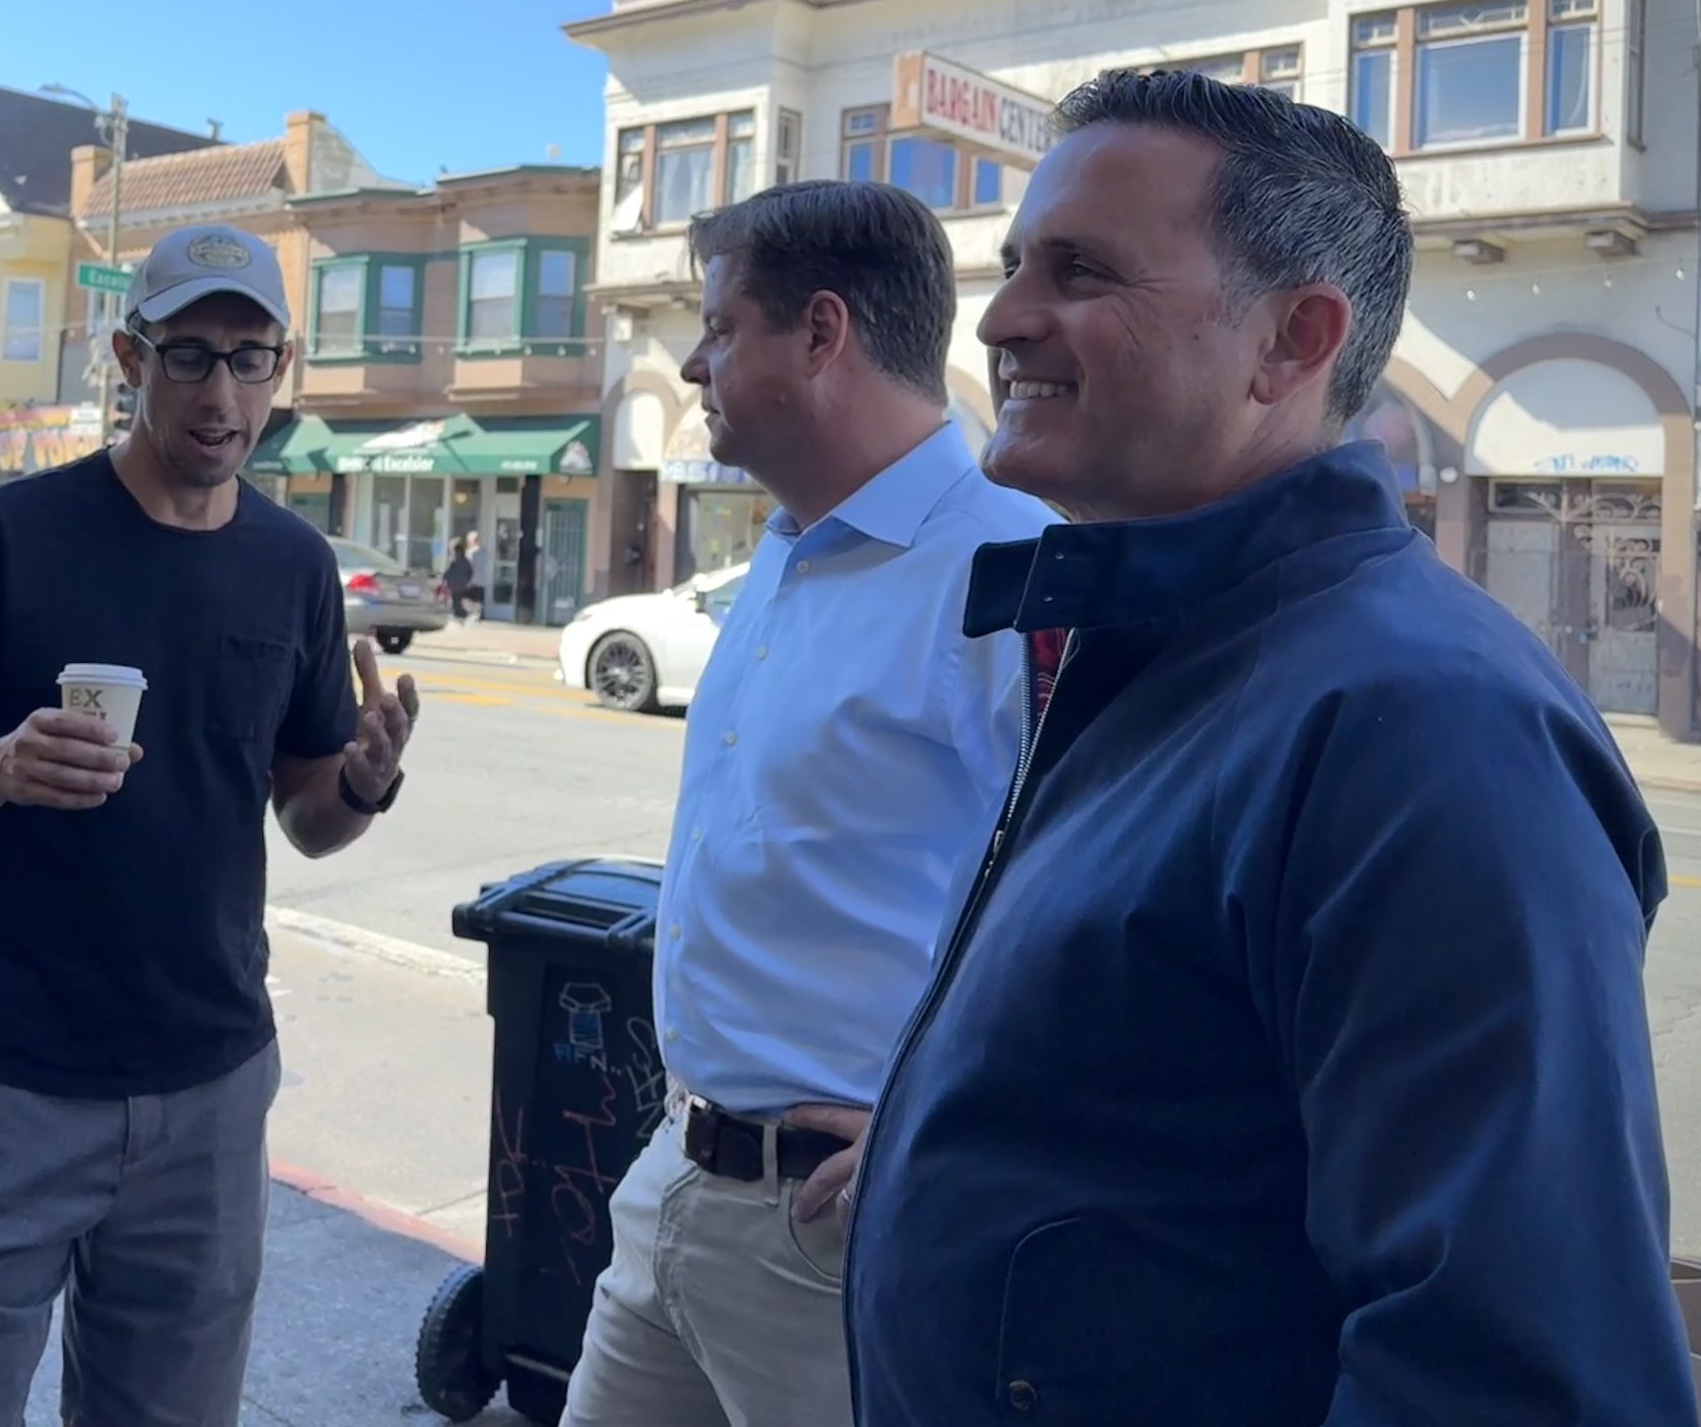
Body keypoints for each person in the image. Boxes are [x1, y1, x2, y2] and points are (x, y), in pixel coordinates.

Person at [844, 70, 1696, 1422]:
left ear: (1293, 343)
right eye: (1012, 267)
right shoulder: (1159, 652)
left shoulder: (1424, 728)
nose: (1002, 320)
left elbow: (1512, 1375)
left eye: (1079, 271)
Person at [0, 221, 422, 1427]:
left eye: (250, 358)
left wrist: (364, 784)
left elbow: (307, 818)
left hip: (207, 1098)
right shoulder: (4, 540)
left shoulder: (292, 567)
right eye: (189, 356)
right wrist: (1, 768)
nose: (222, 395)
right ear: (129, 357)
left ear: (284, 368)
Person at [559, 182, 1053, 1426]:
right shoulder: (785, 546)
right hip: (675, 1179)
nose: (690, 360)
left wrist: (954, 1142)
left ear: (821, 334)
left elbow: (1102, 922)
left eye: (721, 326)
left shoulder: (1019, 569)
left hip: (840, 1231)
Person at [446, 531, 477, 620]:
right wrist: (467, 581)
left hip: (455, 584)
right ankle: (460, 613)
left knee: (456, 599)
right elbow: (471, 572)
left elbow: (449, 572)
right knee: (457, 599)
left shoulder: (455, 562)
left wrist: (445, 579)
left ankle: (460, 614)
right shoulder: (466, 562)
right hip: (462, 584)